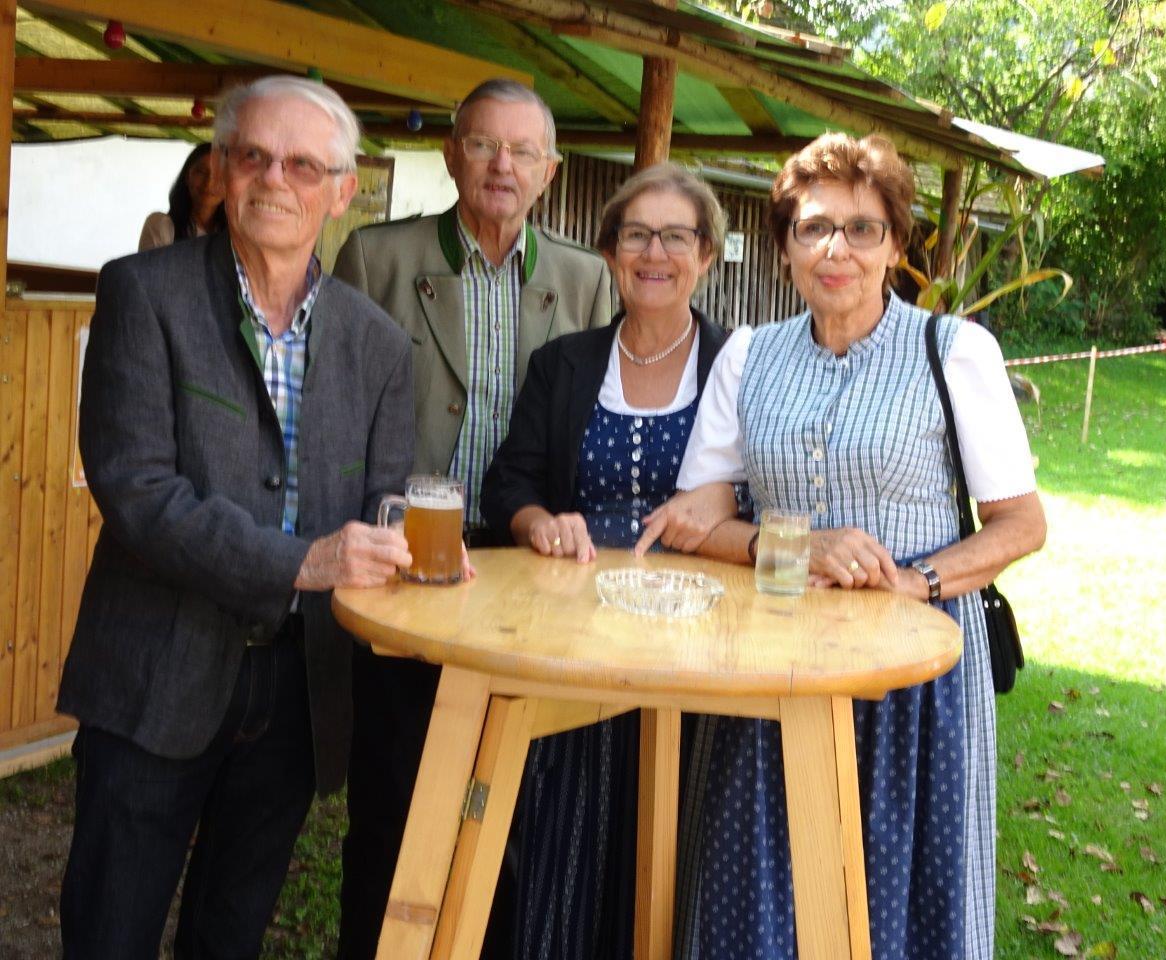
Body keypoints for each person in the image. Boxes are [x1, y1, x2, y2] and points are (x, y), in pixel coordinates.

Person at [643, 132, 1047, 960]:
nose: (837, 250)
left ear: (896, 247)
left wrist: (916, 580)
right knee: (756, 883)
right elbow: (698, 516)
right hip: (770, 666)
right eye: (814, 228)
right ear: (786, 247)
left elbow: (1021, 524)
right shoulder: (749, 356)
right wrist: (793, 546)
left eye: (863, 229)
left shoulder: (955, 352)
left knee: (895, 896)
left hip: (915, 679)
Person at [57, 76, 420, 959]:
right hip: (156, 666)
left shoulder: (378, 343)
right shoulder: (143, 293)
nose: (274, 178)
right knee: (109, 930)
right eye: (253, 155)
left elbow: (386, 504)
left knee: (230, 933)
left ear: (343, 190)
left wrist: (411, 558)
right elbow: (137, 491)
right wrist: (301, 563)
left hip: (297, 684)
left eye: (303, 164)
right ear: (219, 170)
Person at [331, 78, 614, 959]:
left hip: (530, 573)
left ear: (549, 171)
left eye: (523, 151)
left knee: (515, 793)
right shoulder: (378, 258)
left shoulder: (584, 278)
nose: (502, 165)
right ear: (453, 155)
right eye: (485, 144)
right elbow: (338, 416)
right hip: (409, 563)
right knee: (394, 791)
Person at [480, 162, 729, 958]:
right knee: (568, 829)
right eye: (635, 236)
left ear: (707, 255)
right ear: (610, 252)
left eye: (675, 237)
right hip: (576, 640)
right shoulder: (565, 363)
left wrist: (722, 506)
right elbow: (509, 481)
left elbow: (767, 495)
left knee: (676, 835)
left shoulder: (740, 363)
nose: (654, 254)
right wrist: (539, 523)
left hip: (702, 649)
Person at [138, 142, 226, 251]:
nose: (208, 183)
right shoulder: (161, 225)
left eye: (219, 174)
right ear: (187, 176)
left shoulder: (236, 234)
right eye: (201, 172)